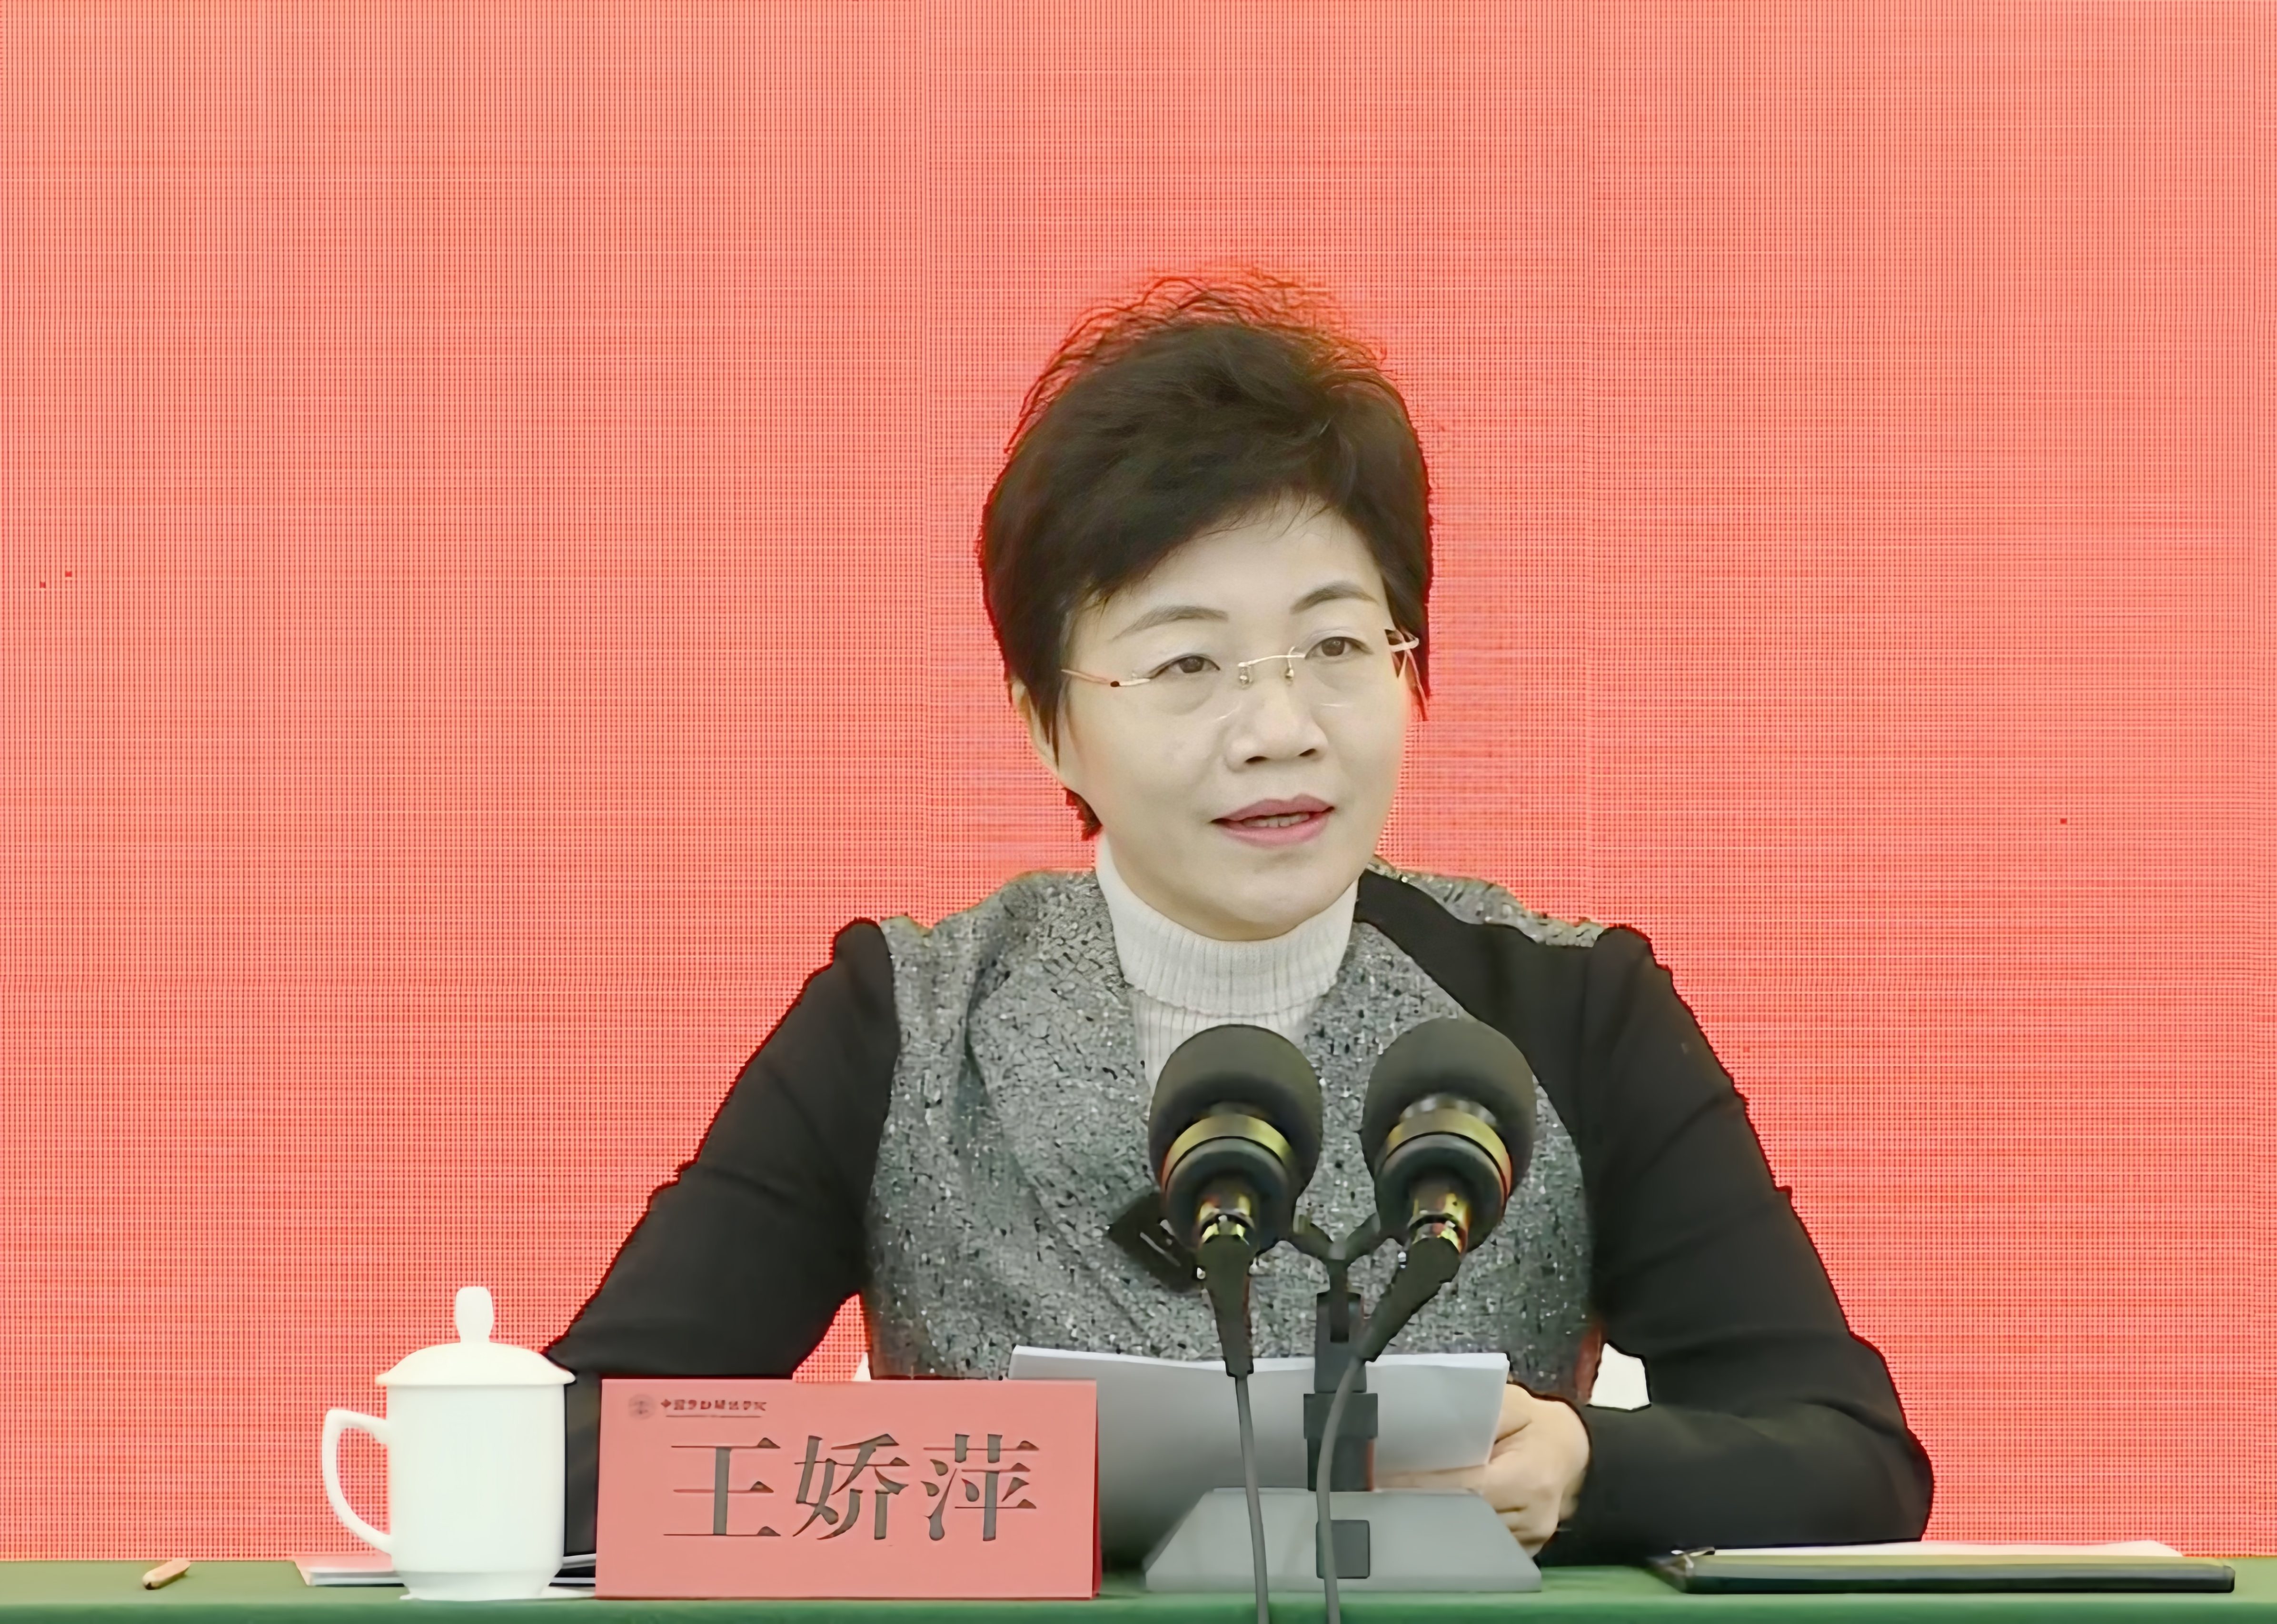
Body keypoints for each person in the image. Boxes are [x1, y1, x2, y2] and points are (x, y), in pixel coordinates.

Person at [543, 272, 1934, 1565]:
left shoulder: (1569, 1009)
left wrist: (1583, 1467)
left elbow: (1849, 1457)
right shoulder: (904, 1021)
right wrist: (989, 1478)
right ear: (1048, 722)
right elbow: (574, 1454)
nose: (1279, 728)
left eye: (1335, 645)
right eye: (1188, 664)